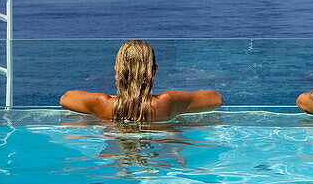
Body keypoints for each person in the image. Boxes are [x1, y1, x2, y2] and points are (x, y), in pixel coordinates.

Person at [60, 39, 223, 122]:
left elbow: (66, 98)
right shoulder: (168, 102)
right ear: (154, 70)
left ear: (117, 69)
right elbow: (216, 98)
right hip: (160, 148)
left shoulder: (103, 103)